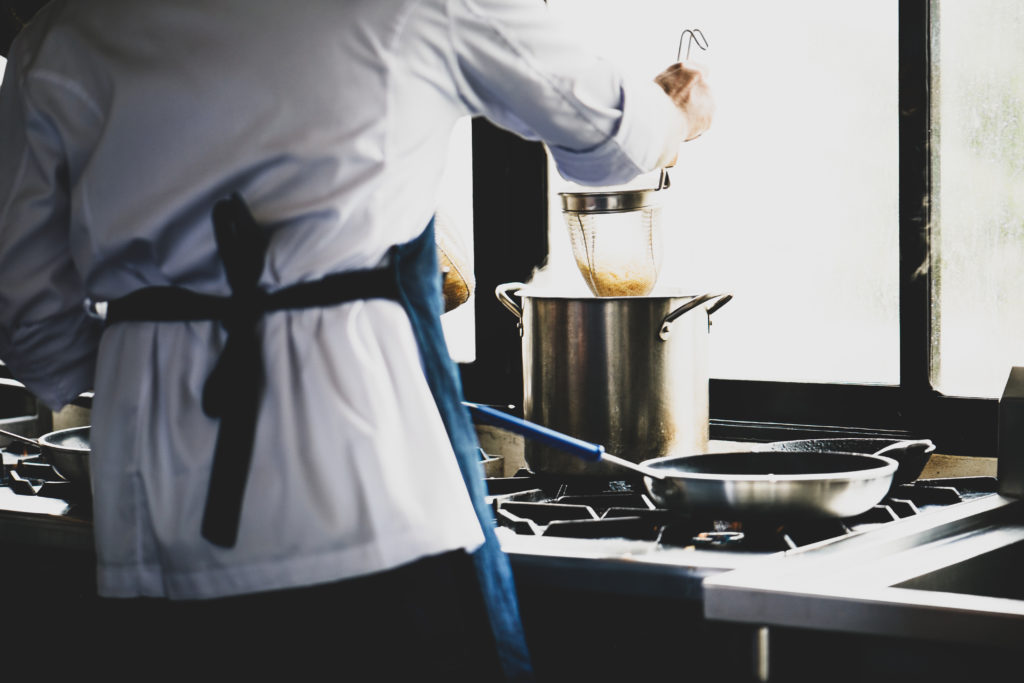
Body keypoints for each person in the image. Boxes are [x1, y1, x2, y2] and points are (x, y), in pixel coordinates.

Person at [0, 0, 712, 678]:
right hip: (371, 504)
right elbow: (610, 128)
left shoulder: (63, 35)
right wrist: (674, 115)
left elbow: (27, 319)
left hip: (153, 521)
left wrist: (161, 374)